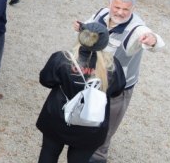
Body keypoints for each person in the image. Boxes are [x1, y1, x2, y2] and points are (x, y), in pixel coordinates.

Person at [75, 0, 165, 163]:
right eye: (117, 7)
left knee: (108, 124)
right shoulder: (101, 13)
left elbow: (152, 39)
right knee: (87, 112)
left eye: (126, 9)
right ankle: (81, 143)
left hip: (118, 88)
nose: (120, 12)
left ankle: (98, 156)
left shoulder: (137, 28)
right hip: (93, 78)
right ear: (110, 4)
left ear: (133, 9)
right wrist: (81, 27)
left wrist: (152, 40)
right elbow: (88, 26)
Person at [36, 23, 125, 163]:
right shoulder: (112, 65)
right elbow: (117, 90)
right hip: (91, 125)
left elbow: (46, 81)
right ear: (105, 42)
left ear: (81, 37)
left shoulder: (63, 58)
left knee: (49, 153)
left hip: (58, 118)